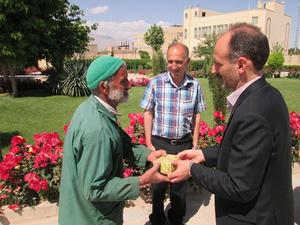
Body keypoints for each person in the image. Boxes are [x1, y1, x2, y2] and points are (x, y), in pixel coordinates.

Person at [169, 23, 294, 225]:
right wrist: (203, 155)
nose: (212, 69)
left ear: (241, 65)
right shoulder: (267, 95)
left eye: (218, 63)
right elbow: (241, 150)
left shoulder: (254, 112)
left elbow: (238, 186)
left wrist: (191, 169)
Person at [58, 56, 169, 225]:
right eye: (123, 81)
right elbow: (96, 189)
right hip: (92, 218)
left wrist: (148, 155)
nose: (129, 86)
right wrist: (143, 180)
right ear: (104, 87)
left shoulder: (92, 108)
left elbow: (119, 141)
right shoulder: (97, 130)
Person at [140, 43, 206, 225]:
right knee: (158, 185)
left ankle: (176, 218)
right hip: (159, 143)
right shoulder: (156, 83)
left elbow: (197, 114)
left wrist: (194, 143)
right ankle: (157, 219)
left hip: (183, 144)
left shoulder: (195, 85)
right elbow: (148, 112)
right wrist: (149, 143)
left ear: (188, 62)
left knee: (179, 187)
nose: (174, 65)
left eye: (178, 61)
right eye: (170, 61)